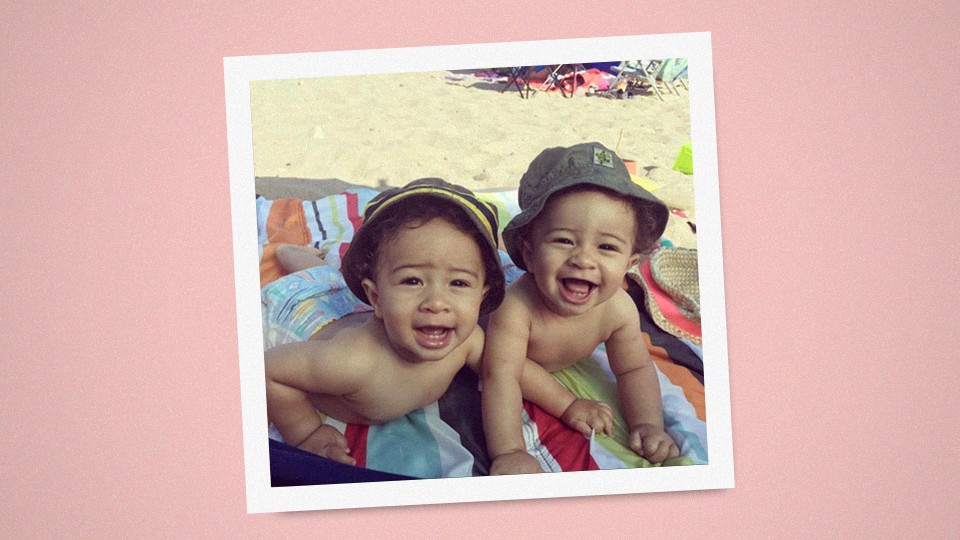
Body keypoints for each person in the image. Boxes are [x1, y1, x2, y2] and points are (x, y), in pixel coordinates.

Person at [264, 178, 505, 465]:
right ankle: (286, 251)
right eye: (412, 280)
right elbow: (268, 370)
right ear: (376, 298)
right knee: (317, 282)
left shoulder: (467, 342)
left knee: (333, 280)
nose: (437, 303)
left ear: (481, 296)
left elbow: (506, 369)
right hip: (300, 309)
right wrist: (307, 433)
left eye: (459, 283)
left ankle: (299, 256)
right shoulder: (351, 362)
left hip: (349, 302)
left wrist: (565, 404)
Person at [482, 142, 680, 475]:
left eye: (606, 247)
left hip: (527, 363)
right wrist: (510, 451)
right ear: (529, 253)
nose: (584, 259)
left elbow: (634, 369)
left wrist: (648, 424)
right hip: (494, 352)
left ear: (630, 263)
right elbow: (499, 376)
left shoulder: (618, 310)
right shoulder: (515, 308)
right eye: (564, 240)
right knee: (476, 349)